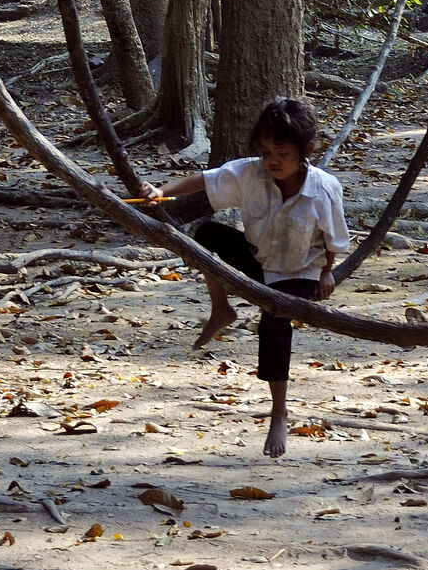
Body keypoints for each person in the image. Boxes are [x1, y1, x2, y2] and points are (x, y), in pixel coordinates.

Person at [146, 95, 349, 459]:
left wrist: (328, 272)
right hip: (260, 261)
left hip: (300, 271)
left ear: (306, 150)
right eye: (267, 150)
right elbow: (205, 180)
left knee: (274, 323)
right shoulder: (250, 172)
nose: (273, 160)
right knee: (206, 235)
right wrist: (161, 192)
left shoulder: (323, 189)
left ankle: (278, 411)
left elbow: (335, 239)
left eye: (283, 153)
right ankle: (221, 309)